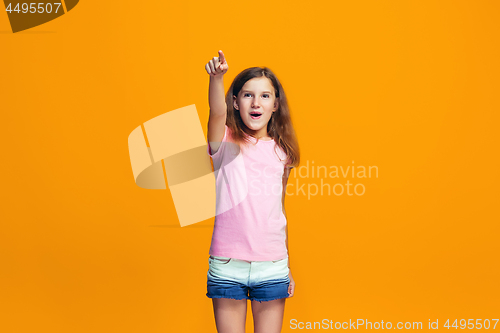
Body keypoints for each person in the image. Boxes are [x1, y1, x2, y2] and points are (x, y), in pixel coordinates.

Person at [204, 50, 300, 333]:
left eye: (265, 96)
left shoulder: (283, 152)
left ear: (275, 104)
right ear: (235, 102)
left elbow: (278, 210)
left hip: (272, 265)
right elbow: (216, 112)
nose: (256, 102)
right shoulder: (224, 142)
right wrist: (217, 79)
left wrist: (287, 264)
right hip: (227, 264)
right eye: (247, 95)